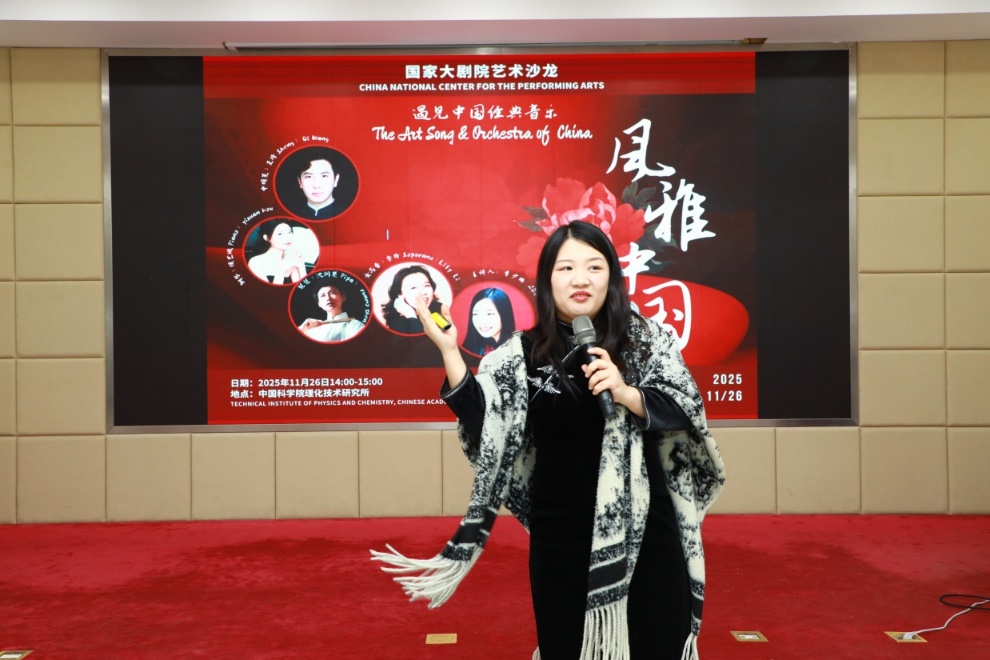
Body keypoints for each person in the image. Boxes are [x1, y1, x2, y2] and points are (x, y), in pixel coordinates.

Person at [371, 221, 725, 660]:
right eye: (566, 268)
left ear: (612, 277)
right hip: (560, 534)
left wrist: (626, 392)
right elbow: (487, 423)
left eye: (594, 267)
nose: (580, 279)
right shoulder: (522, 353)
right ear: (547, 280)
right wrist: (448, 351)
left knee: (656, 643)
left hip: (647, 530)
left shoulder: (646, 340)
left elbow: (687, 408)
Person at [279, 147, 352, 220]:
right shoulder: (289, 215)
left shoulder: (349, 214)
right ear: (300, 182)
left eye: (324, 176)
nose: (316, 185)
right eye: (308, 177)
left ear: (336, 180)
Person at [380, 264, 449, 335]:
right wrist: (411, 316)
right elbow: (421, 341)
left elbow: (448, 336)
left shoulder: (438, 309)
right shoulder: (397, 322)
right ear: (400, 293)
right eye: (413, 288)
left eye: (426, 286)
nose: (423, 292)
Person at [245, 219, 311, 285]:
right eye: (280, 234)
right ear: (267, 238)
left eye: (289, 232)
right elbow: (269, 291)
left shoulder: (291, 260)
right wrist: (281, 270)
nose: (287, 237)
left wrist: (301, 267)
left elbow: (302, 288)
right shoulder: (256, 263)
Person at [297, 283, 364, 343]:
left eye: (332, 293)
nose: (328, 298)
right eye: (323, 295)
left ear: (343, 297)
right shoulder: (312, 328)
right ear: (319, 303)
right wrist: (302, 330)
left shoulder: (355, 325)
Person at [461, 287, 516, 356]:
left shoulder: (519, 348)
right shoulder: (468, 350)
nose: (482, 321)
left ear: (504, 314)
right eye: (476, 314)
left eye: (489, 314)